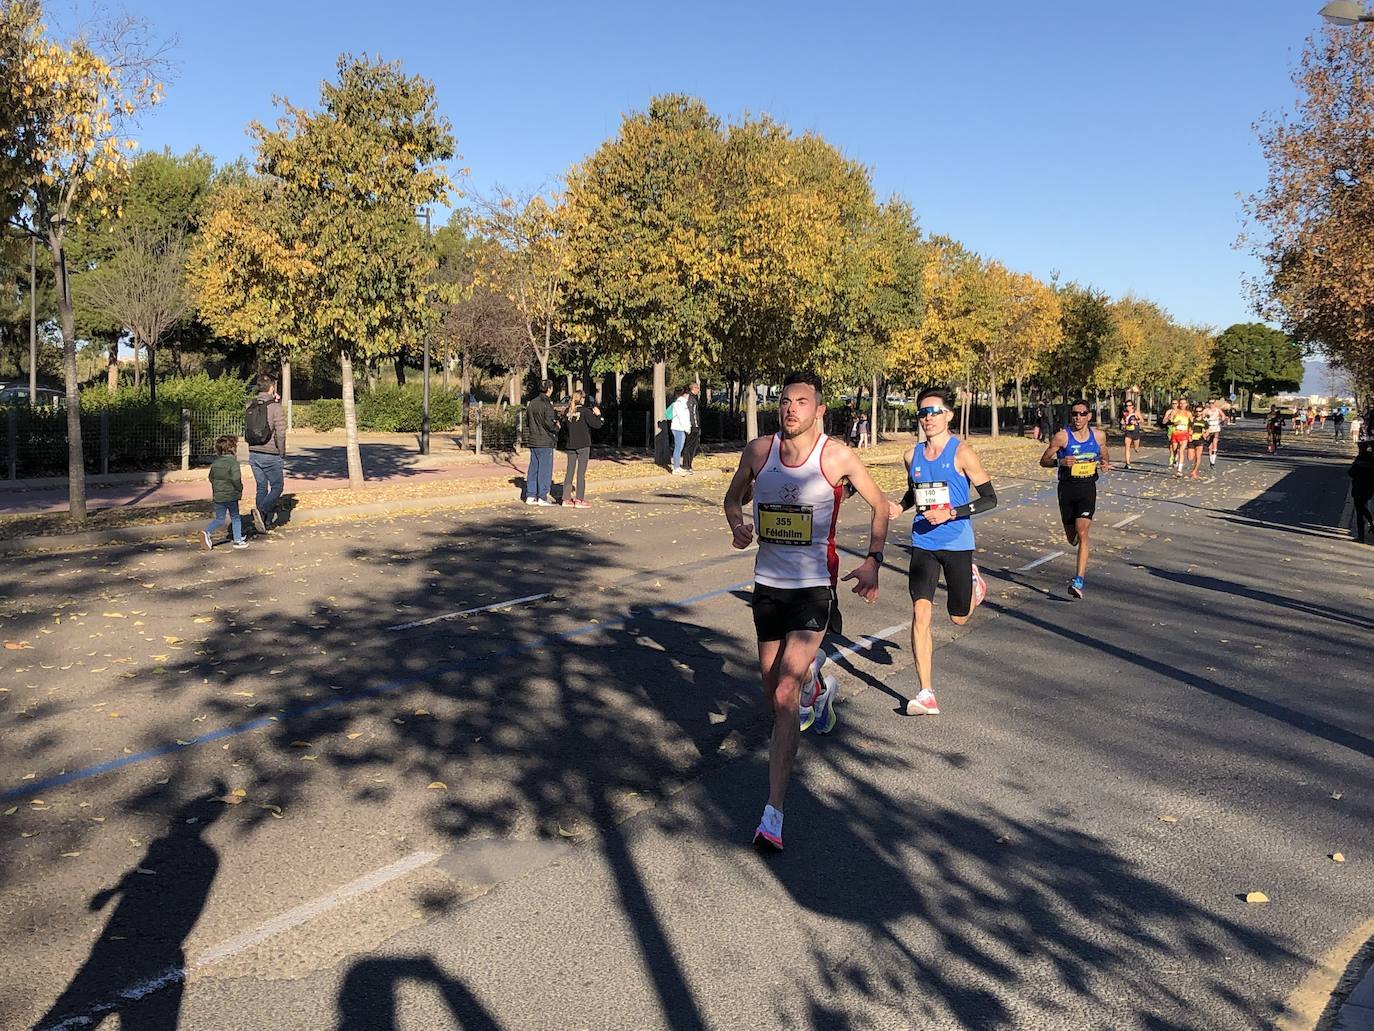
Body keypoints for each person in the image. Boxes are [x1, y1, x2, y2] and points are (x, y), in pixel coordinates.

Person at [723, 371, 889, 853]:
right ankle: (821, 687)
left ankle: (773, 813)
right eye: (785, 400)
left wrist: (873, 562)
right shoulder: (759, 451)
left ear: (819, 410)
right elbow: (734, 498)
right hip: (768, 587)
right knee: (772, 692)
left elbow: (880, 506)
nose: (791, 408)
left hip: (814, 587)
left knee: (785, 692)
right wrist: (737, 522)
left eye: (801, 401)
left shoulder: (835, 456)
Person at [889, 388, 996, 717]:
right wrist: (901, 506)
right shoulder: (912, 456)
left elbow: (990, 498)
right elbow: (916, 491)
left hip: (957, 544)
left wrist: (952, 512)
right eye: (922, 413)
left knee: (958, 617)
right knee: (921, 615)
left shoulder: (962, 453)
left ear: (949, 415)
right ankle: (926, 692)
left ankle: (975, 585)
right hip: (923, 543)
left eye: (934, 411)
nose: (928, 418)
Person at [1041, 399, 1111, 599]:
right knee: (1072, 538)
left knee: (1083, 532)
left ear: (1089, 416)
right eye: (1074, 414)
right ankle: (1075, 541)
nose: (1078, 417)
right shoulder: (1062, 437)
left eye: (1082, 413)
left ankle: (1078, 579)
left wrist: (1105, 464)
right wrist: (1060, 461)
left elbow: (1105, 457)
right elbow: (1043, 461)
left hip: (1087, 488)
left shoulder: (1098, 436)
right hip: (1067, 490)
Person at [244, 372, 287, 533]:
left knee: (261, 487)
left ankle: (263, 523)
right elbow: (281, 433)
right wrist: (281, 452)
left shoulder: (250, 404)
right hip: (271, 453)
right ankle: (261, 512)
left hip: (253, 452)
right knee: (277, 487)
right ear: (272, 387)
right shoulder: (275, 407)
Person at [200, 435, 249, 551]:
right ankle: (238, 540)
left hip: (218, 496)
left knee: (220, 518)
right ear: (232, 448)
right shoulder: (233, 463)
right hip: (231, 495)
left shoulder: (216, 463)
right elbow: (236, 479)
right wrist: (240, 489)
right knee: (236, 517)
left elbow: (211, 477)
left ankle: (207, 532)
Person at [559, 390, 603, 508]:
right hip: (583, 444)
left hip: (570, 445)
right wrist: (599, 416)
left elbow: (563, 428)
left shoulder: (568, 412)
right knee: (580, 473)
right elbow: (596, 425)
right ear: (582, 399)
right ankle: (579, 499)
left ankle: (566, 498)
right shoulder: (585, 412)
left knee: (569, 471)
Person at [524, 379, 559, 505]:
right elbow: (549, 423)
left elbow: (527, 421)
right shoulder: (547, 404)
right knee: (545, 469)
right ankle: (542, 496)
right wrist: (557, 427)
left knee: (533, 468)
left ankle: (530, 494)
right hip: (545, 440)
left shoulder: (532, 403)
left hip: (533, 439)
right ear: (549, 389)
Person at [1351, 441, 1374, 544]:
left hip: (1359, 487)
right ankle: (1370, 522)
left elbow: (1351, 472)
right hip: (1368, 488)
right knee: (1362, 507)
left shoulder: (1359, 459)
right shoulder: (1372, 459)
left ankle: (1361, 536)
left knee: (1359, 510)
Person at [668, 386, 692, 475]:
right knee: (678, 448)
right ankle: (676, 468)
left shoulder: (682, 403)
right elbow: (682, 417)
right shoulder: (679, 403)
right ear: (685, 394)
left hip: (681, 428)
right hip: (678, 428)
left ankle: (677, 466)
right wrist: (687, 428)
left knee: (679, 448)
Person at [682, 382, 702, 472]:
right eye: (697, 388)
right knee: (689, 445)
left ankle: (689, 464)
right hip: (692, 426)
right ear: (693, 388)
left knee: (693, 446)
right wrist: (694, 425)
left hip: (694, 426)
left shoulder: (693, 398)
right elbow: (692, 413)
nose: (698, 390)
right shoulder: (691, 399)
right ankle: (686, 465)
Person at [1167, 398, 1191, 474]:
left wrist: (1190, 433)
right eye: (1181, 403)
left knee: (1181, 450)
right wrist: (1175, 422)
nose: (1182, 405)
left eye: (1184, 403)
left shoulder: (1188, 413)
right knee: (1175, 451)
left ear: (1186, 404)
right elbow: (1170, 421)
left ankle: (1179, 470)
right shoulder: (1175, 412)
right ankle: (1175, 459)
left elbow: (1192, 424)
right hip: (1175, 433)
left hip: (1184, 434)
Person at [1119, 400, 1143, 469]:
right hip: (1128, 432)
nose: (1128, 407)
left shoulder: (1136, 412)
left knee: (1136, 448)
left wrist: (1136, 421)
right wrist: (1123, 423)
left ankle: (1136, 448)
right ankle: (1128, 463)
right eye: (1126, 406)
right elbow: (1122, 421)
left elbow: (1142, 420)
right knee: (1127, 446)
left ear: (1132, 406)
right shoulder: (1125, 413)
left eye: (1129, 405)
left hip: (1135, 432)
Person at [1204, 398, 1223, 467]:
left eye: (1212, 403)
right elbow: (1202, 417)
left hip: (1216, 427)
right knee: (1209, 446)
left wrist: (1221, 420)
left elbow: (1223, 416)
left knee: (1215, 443)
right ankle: (1211, 459)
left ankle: (1213, 461)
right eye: (1210, 403)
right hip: (1209, 428)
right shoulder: (1206, 410)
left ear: (1215, 403)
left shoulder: (1218, 410)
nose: (1211, 404)